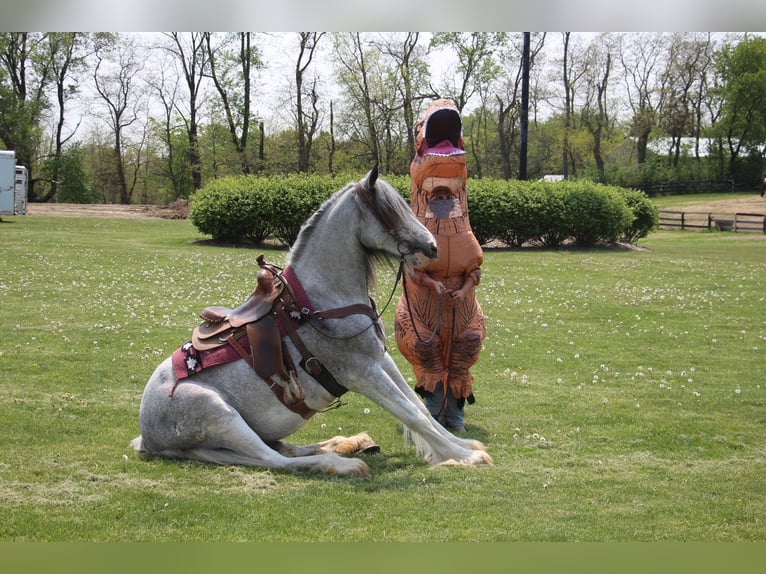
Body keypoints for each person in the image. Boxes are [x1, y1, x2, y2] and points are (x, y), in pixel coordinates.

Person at [395, 99, 486, 433]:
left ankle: (455, 413)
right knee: (426, 348)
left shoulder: (461, 209)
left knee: (467, 344)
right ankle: (432, 413)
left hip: (461, 306)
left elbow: (473, 267)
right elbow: (411, 267)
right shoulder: (418, 212)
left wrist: (465, 287)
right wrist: (431, 284)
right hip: (424, 307)